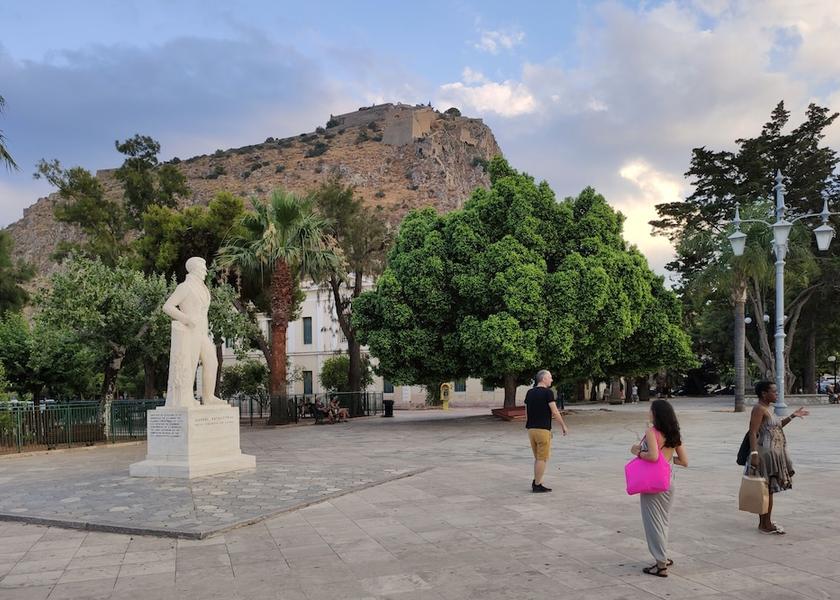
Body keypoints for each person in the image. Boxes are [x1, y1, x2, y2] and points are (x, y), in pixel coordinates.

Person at [630, 399, 688, 578]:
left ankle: (661, 564)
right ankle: (663, 555)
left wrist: (638, 452)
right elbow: (684, 461)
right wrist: (668, 460)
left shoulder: (652, 432)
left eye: (651, 410)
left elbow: (654, 456)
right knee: (662, 521)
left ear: (656, 413)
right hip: (669, 482)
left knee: (652, 523)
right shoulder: (674, 433)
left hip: (653, 484)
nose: (648, 412)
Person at [747, 381, 809, 534]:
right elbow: (752, 432)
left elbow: (776, 425)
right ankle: (765, 524)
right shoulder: (758, 409)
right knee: (766, 490)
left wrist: (792, 416)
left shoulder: (767, 409)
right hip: (764, 454)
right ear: (764, 394)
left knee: (768, 490)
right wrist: (754, 454)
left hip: (773, 454)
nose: (777, 394)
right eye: (774, 391)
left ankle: (765, 522)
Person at [525, 370, 569, 493]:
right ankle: (537, 485)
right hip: (542, 429)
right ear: (543, 379)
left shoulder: (529, 392)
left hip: (531, 430)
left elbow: (526, 411)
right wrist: (563, 426)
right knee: (542, 458)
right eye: (550, 377)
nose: (551, 380)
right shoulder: (547, 393)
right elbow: (554, 411)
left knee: (538, 457)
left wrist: (529, 424)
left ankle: (536, 481)